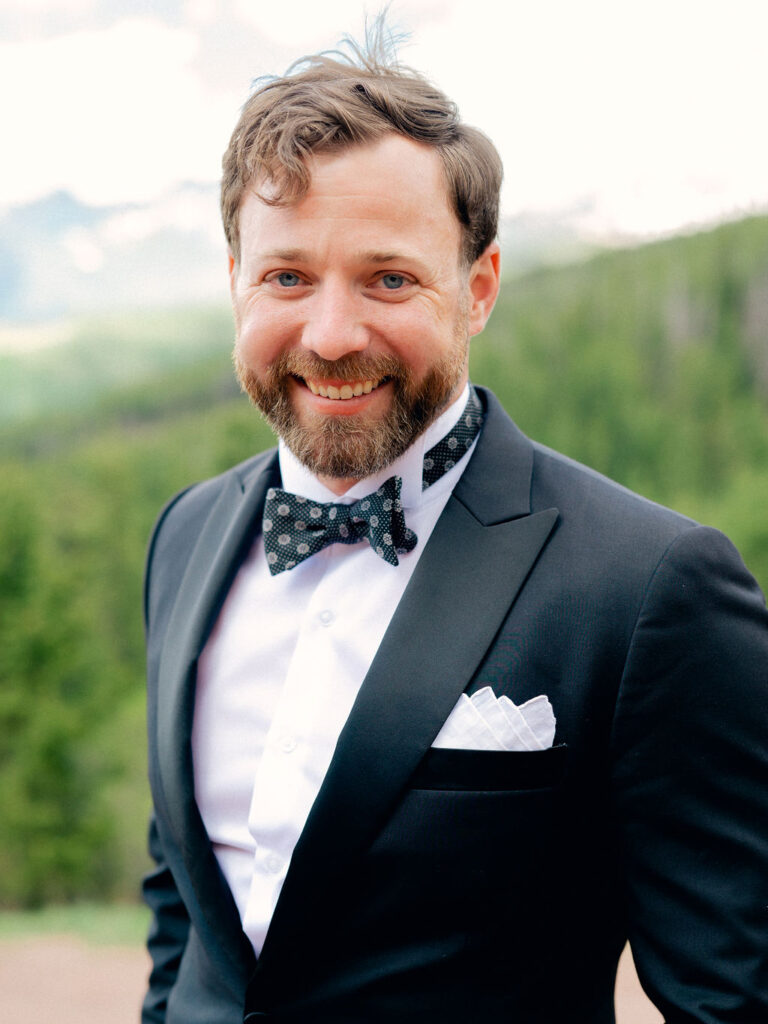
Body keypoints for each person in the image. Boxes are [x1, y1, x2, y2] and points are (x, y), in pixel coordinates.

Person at [141, 28, 768, 1024]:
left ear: (477, 290)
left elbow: (732, 999)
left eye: (389, 279)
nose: (332, 333)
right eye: (287, 277)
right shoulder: (185, 535)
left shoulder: (652, 588)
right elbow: (186, 895)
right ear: (234, 281)